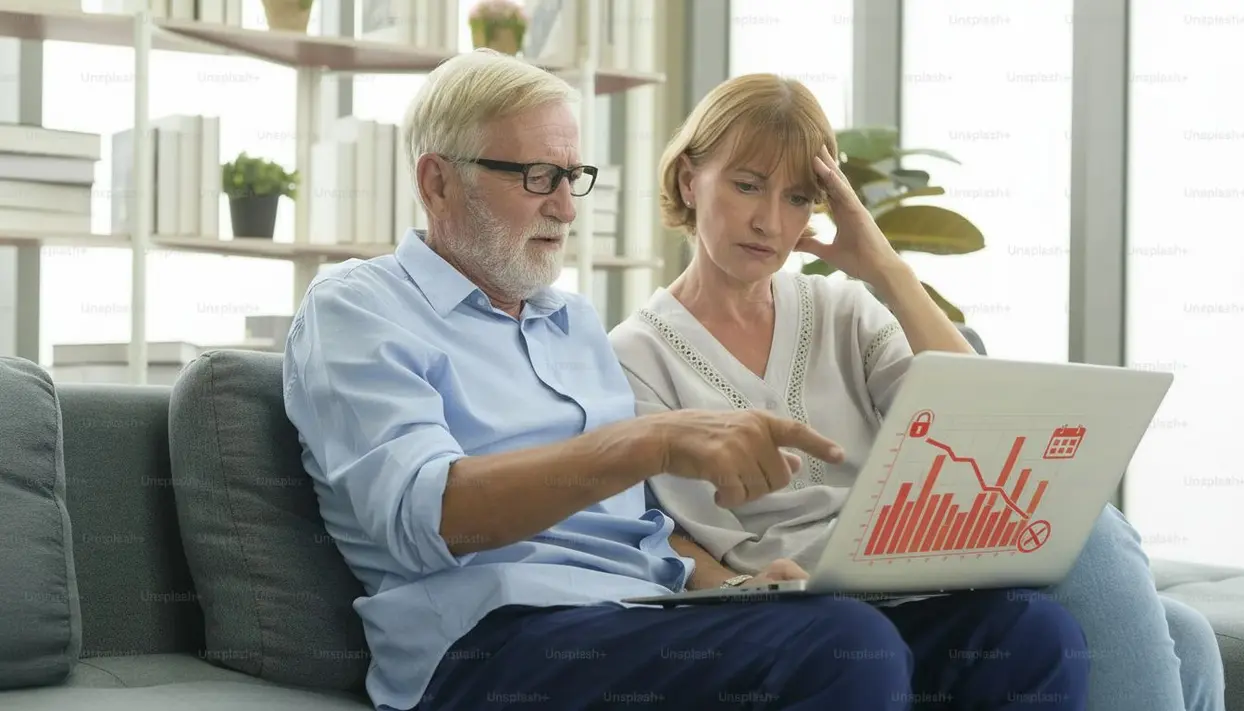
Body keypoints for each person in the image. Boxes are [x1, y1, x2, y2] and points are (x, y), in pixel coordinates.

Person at [282, 49, 1090, 711]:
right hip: (490, 638)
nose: (567, 207)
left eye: (575, 176)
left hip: (640, 611)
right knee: (848, 646)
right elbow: (434, 513)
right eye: (537, 177)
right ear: (436, 181)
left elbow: (644, 529)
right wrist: (650, 439)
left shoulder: (570, 325)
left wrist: (736, 587)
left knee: (1027, 631)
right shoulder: (360, 309)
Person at [607, 72, 1226, 711]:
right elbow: (656, 528)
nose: (770, 222)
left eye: (798, 198)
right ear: (689, 180)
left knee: (1188, 633)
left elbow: (983, 419)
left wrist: (887, 269)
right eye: (746, 186)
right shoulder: (633, 355)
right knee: (1154, 613)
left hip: (917, 579)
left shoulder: (844, 311)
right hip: (798, 613)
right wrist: (741, 586)